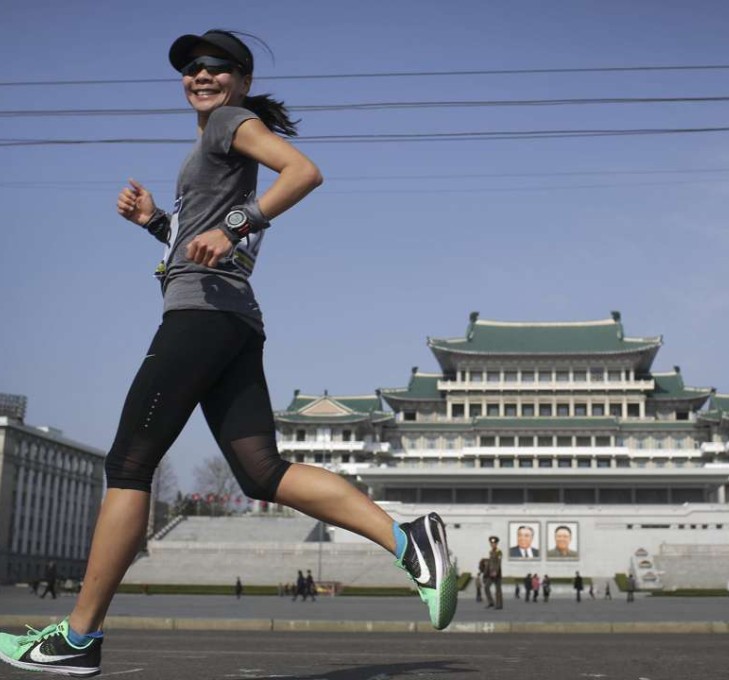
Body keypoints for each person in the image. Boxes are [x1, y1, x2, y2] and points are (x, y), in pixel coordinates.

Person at [0, 30, 458, 678]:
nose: (202, 73)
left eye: (218, 66)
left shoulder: (226, 122)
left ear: (241, 81)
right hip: (232, 318)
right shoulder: (214, 141)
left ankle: (78, 638)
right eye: (192, 66)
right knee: (260, 473)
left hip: (202, 318)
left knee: (129, 465)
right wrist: (159, 224)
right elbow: (202, 241)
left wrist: (235, 225)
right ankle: (408, 540)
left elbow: (302, 172)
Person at [484, 536, 503, 610]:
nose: (492, 544)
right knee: (486, 587)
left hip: (497, 574)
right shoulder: (491, 552)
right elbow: (490, 563)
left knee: (498, 590)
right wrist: (486, 572)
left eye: (494, 543)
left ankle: (499, 605)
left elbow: (498, 563)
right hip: (490, 574)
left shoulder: (499, 552)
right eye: (491, 543)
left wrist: (495, 572)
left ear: (496, 544)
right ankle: (491, 602)